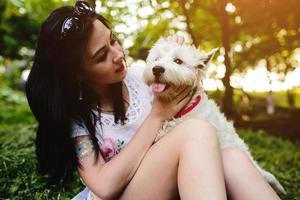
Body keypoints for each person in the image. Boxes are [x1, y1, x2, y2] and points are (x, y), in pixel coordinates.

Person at [26, 1, 281, 199]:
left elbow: (190, 90)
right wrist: (157, 116)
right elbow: (104, 186)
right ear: (77, 75)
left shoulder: (142, 77)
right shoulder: (77, 118)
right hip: (125, 195)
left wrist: (177, 59)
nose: (118, 55)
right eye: (102, 55)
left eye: (113, 40)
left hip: (169, 183)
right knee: (195, 131)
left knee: (232, 157)